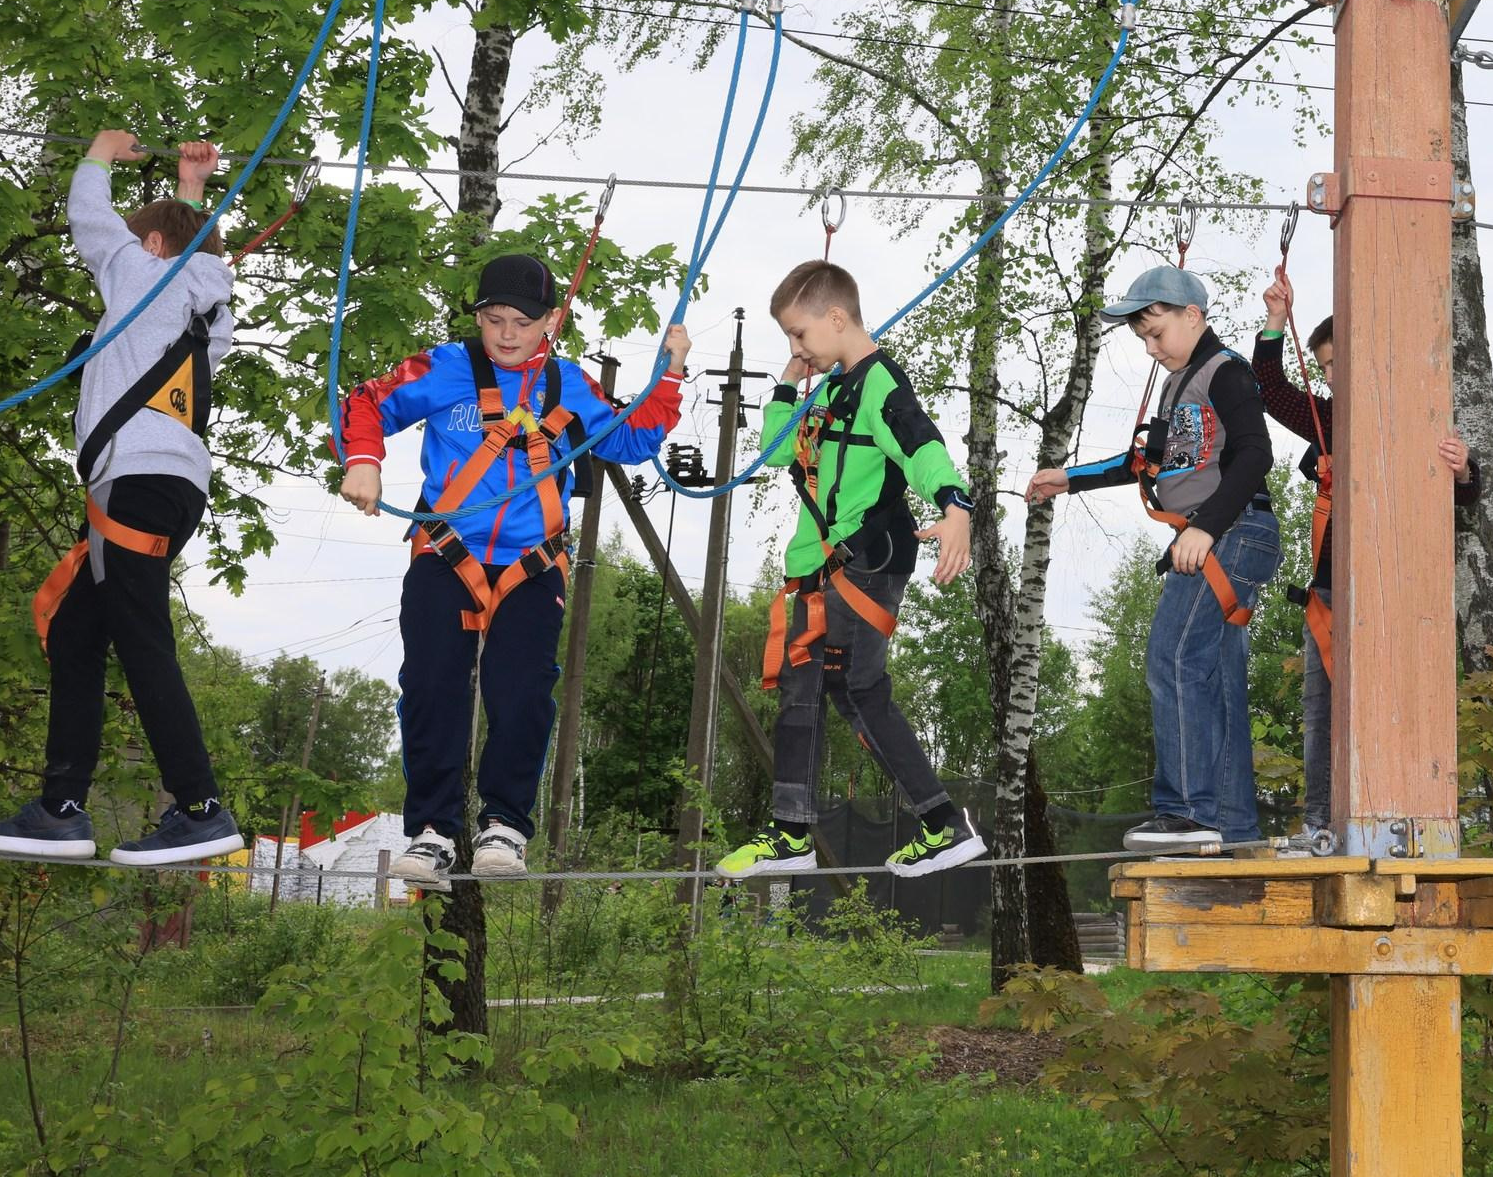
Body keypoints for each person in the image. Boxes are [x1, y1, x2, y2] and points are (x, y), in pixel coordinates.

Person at [337, 254, 689, 888]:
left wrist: (670, 374)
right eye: (493, 319)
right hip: (446, 552)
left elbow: (631, 440)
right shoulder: (444, 368)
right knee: (432, 685)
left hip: (532, 563)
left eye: (522, 323)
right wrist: (364, 459)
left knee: (523, 692)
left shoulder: (568, 384)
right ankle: (434, 829)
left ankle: (504, 823)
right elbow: (365, 403)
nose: (505, 334)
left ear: (551, 321)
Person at [0, 132, 247, 865]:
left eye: (135, 243)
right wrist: (190, 190)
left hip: (135, 481)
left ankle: (200, 806)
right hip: (172, 487)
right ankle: (61, 806)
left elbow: (91, 218)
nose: (113, 259)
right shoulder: (204, 307)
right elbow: (189, 248)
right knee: (76, 630)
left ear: (148, 245)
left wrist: (96, 154)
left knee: (141, 634)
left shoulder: (139, 273)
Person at [717, 259, 987, 881]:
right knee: (813, 687)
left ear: (836, 318)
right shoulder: (835, 386)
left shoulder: (879, 384)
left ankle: (934, 824)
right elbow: (779, 448)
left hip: (864, 561)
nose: (797, 347)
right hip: (826, 568)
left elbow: (922, 445)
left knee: (850, 688)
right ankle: (801, 829)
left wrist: (955, 506)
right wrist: (790, 378)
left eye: (800, 335)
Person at [1026, 265, 1279, 854]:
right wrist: (1070, 478)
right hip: (1219, 534)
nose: (1150, 346)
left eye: (1156, 331)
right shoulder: (1178, 384)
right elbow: (1147, 461)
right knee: (1215, 677)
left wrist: (1207, 529)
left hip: (1230, 532)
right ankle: (1234, 825)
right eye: (1141, 336)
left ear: (1193, 316)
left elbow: (1254, 454)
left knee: (1173, 656)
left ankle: (1188, 814)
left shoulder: (1226, 373)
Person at [1252, 270, 1476, 847]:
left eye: (1336, 364)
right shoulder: (1330, 419)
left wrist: (1463, 471)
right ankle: (1320, 822)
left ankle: (1406, 809)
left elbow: (1461, 492)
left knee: (1395, 700)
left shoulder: (1414, 415)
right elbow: (1272, 390)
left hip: (1394, 585)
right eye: (1323, 369)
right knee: (1322, 709)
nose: (1329, 377)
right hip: (1331, 587)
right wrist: (1277, 321)